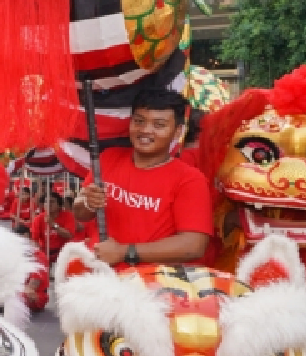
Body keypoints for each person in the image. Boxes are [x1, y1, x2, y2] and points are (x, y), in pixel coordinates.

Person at [70, 88, 212, 266]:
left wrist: (124, 252)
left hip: (152, 287)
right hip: (100, 279)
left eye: (159, 125)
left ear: (177, 131)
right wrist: (88, 203)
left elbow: (193, 245)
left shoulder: (190, 179)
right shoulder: (108, 158)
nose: (145, 130)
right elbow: (80, 213)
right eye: (139, 121)